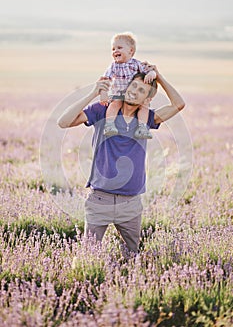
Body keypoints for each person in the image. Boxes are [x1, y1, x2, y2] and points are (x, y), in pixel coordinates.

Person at [57, 65, 185, 254]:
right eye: (133, 86)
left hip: (131, 202)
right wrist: (93, 93)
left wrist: (159, 77)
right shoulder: (103, 111)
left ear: (148, 99)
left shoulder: (147, 119)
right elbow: (63, 122)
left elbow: (178, 104)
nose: (134, 91)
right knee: (88, 254)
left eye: (141, 90)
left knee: (132, 255)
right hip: (100, 198)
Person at [100, 32, 156, 139]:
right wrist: (103, 94)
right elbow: (105, 80)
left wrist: (152, 74)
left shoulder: (136, 64)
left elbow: (148, 71)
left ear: (131, 51)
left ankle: (142, 128)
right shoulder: (113, 66)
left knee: (144, 108)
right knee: (115, 105)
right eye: (113, 49)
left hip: (133, 96)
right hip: (119, 94)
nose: (115, 51)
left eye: (119, 47)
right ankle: (110, 125)